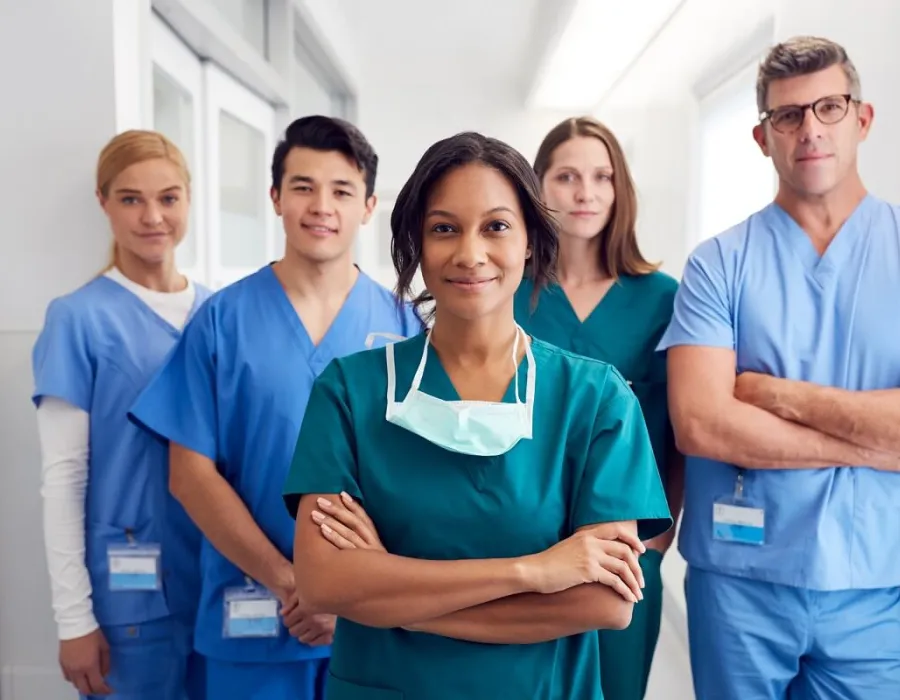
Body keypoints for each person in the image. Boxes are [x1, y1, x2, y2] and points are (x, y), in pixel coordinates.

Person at [281, 131, 673, 700]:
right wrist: (533, 572)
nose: (470, 253)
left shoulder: (595, 399)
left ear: (533, 242)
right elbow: (323, 583)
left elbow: (605, 602)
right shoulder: (350, 390)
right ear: (416, 242)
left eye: (496, 226)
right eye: (444, 228)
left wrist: (393, 597)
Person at [127, 115, 423, 700]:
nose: (322, 206)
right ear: (276, 199)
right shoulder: (222, 320)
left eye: (341, 190)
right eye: (303, 187)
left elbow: (421, 482)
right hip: (254, 611)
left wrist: (347, 594)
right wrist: (291, 582)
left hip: (369, 624)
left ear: (368, 206)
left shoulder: (406, 327)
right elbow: (189, 475)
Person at [658, 36, 900, 700]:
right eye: (789, 115)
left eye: (829, 107)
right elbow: (703, 424)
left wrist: (774, 396)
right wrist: (874, 445)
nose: (810, 129)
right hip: (740, 585)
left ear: (863, 119)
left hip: (878, 585)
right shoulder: (719, 264)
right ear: (763, 137)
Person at [31, 130, 211, 699]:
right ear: (103, 203)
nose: (152, 216)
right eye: (131, 199)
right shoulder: (77, 320)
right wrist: (73, 619)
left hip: (220, 585)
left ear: (188, 200)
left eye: (169, 197)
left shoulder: (218, 312)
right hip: (127, 602)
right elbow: (63, 479)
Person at [514, 116, 684, 700]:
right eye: (567, 176)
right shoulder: (507, 293)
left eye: (601, 176)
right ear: (538, 187)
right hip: (520, 548)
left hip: (624, 554)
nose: (586, 193)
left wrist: (659, 542)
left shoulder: (664, 300)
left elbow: (678, 432)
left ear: (620, 189)